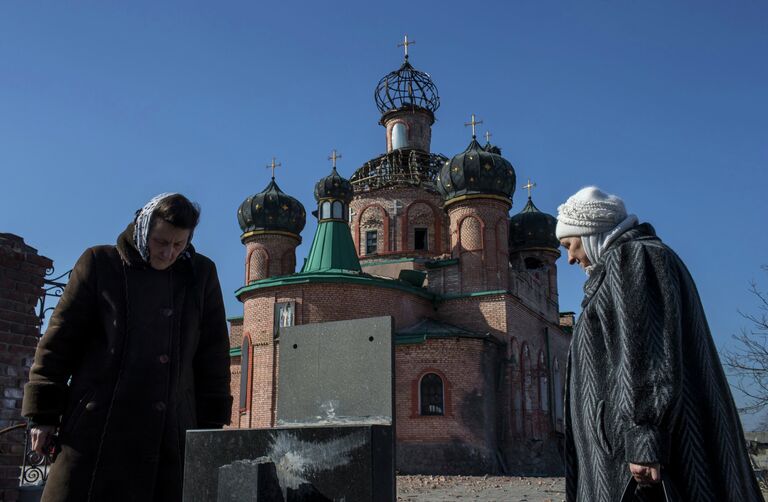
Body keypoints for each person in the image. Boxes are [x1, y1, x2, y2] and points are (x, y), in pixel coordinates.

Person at [22, 193, 233, 502]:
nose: (168, 253)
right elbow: (59, 343)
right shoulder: (100, 263)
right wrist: (42, 416)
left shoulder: (200, 275)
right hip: (98, 428)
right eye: (161, 242)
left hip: (171, 434)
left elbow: (213, 354)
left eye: (179, 245)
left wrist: (210, 426)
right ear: (143, 229)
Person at [557, 187, 763, 502]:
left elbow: (646, 357)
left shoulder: (633, 258)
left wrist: (643, 439)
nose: (570, 258)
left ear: (590, 233)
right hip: (631, 447)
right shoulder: (638, 259)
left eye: (570, 245)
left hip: (637, 458)